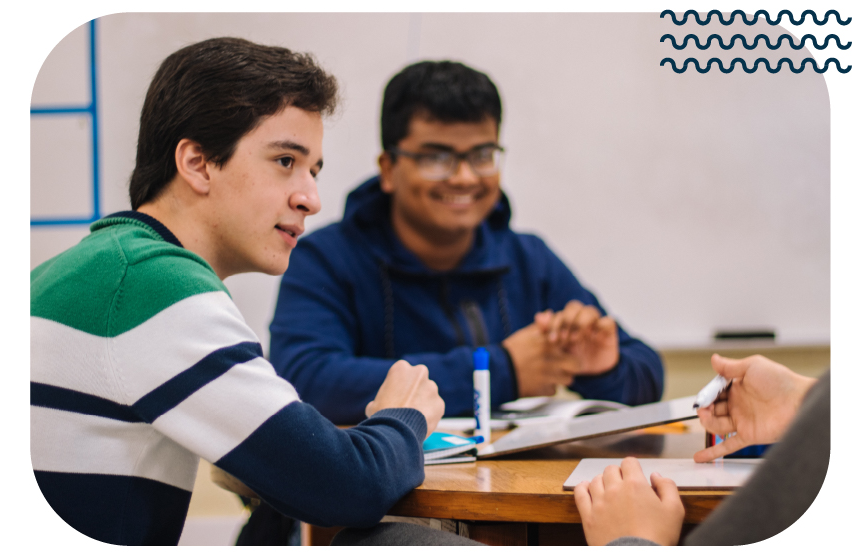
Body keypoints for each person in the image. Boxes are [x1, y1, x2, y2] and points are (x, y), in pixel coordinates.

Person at [30, 37, 445, 546]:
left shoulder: (94, 268)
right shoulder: (151, 287)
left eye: (313, 171)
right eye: (285, 161)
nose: (311, 199)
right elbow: (350, 487)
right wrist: (402, 416)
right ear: (198, 163)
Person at [269, 60, 665, 426]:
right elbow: (306, 381)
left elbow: (646, 375)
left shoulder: (528, 258)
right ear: (388, 169)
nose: (463, 178)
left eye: (482, 155)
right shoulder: (326, 258)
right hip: (380, 498)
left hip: (506, 490)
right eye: (436, 158)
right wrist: (502, 371)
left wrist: (603, 366)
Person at [331, 354, 829, 546]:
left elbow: (639, 370)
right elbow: (314, 377)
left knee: (379, 541)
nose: (465, 177)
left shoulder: (527, 256)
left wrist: (634, 542)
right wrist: (802, 400)